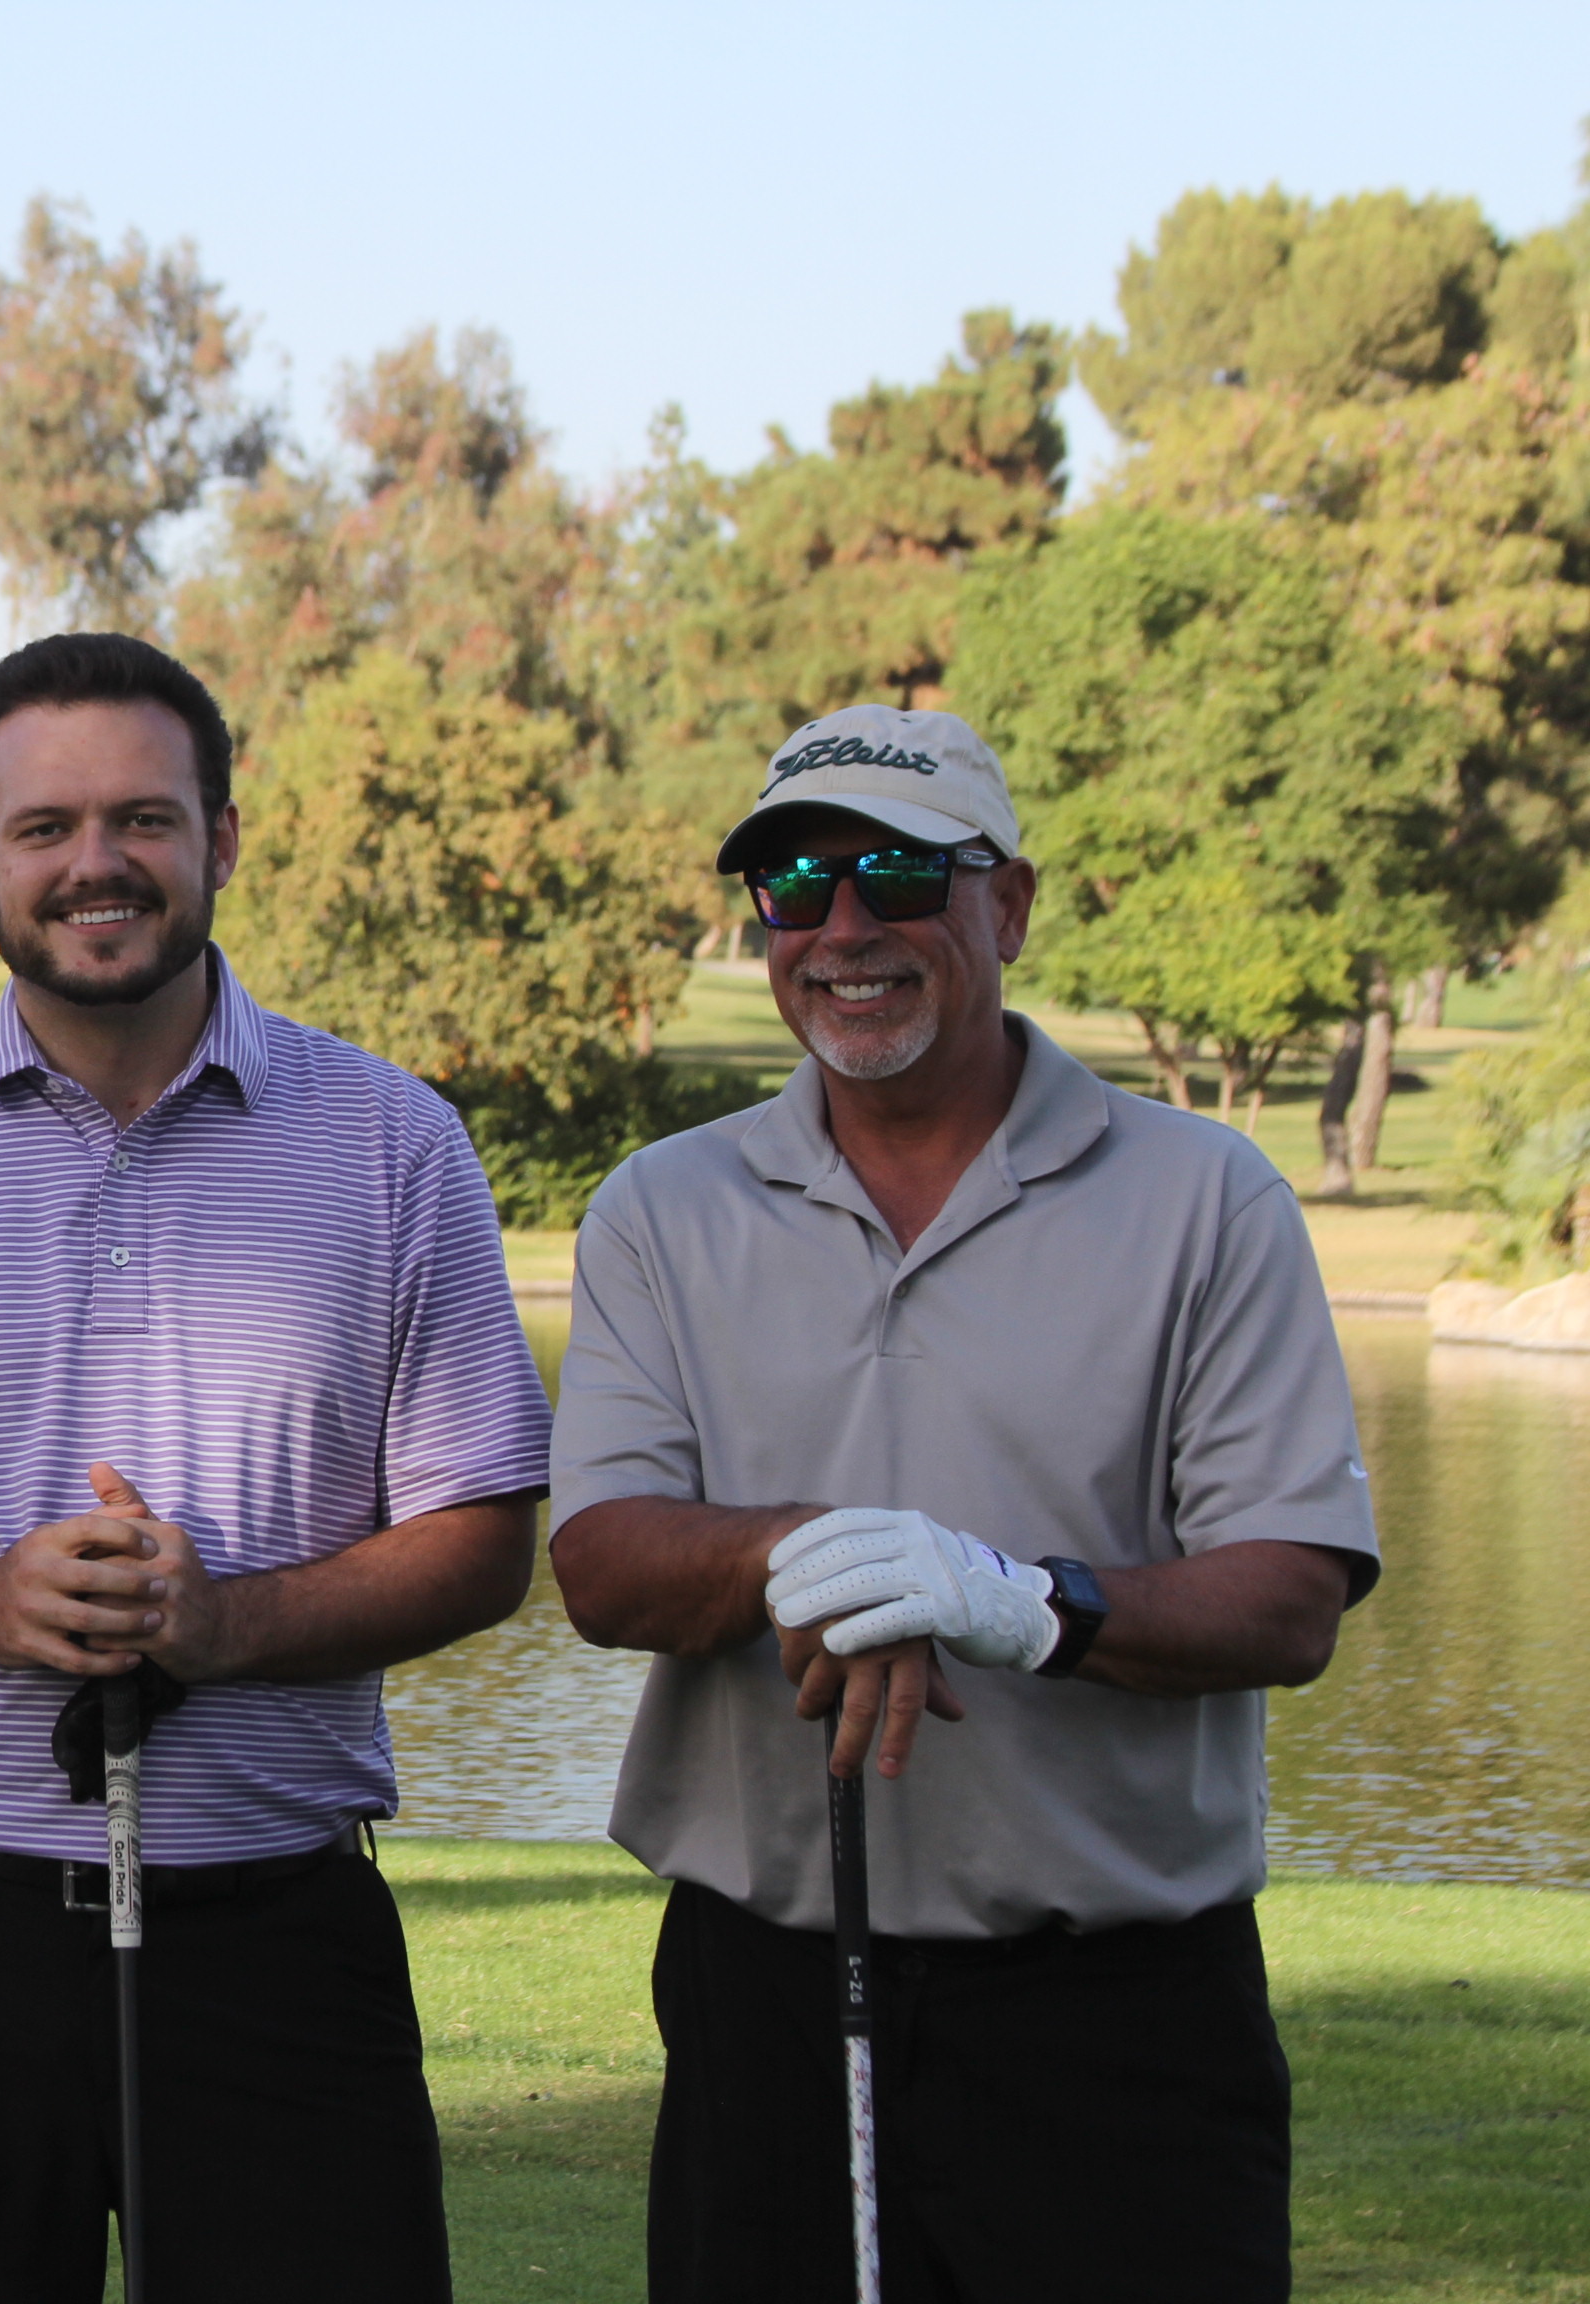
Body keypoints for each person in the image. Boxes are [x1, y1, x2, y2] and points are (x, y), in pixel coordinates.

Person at [0, 632, 555, 2300]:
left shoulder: (394, 1142)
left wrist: (226, 1627)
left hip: (275, 1934)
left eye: (143, 819)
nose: (95, 862)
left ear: (220, 837)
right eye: (45, 827)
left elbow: (480, 1537)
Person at [547, 705, 1379, 2302]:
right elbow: (601, 1566)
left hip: (1119, 2020)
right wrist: (808, 1553)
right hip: (764, 2002)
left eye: (902, 876)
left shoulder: (1208, 1200)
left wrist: (1016, 1601)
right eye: (797, 886)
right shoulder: (665, 1208)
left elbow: (1289, 1596)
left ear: (1011, 904)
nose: (845, 928)